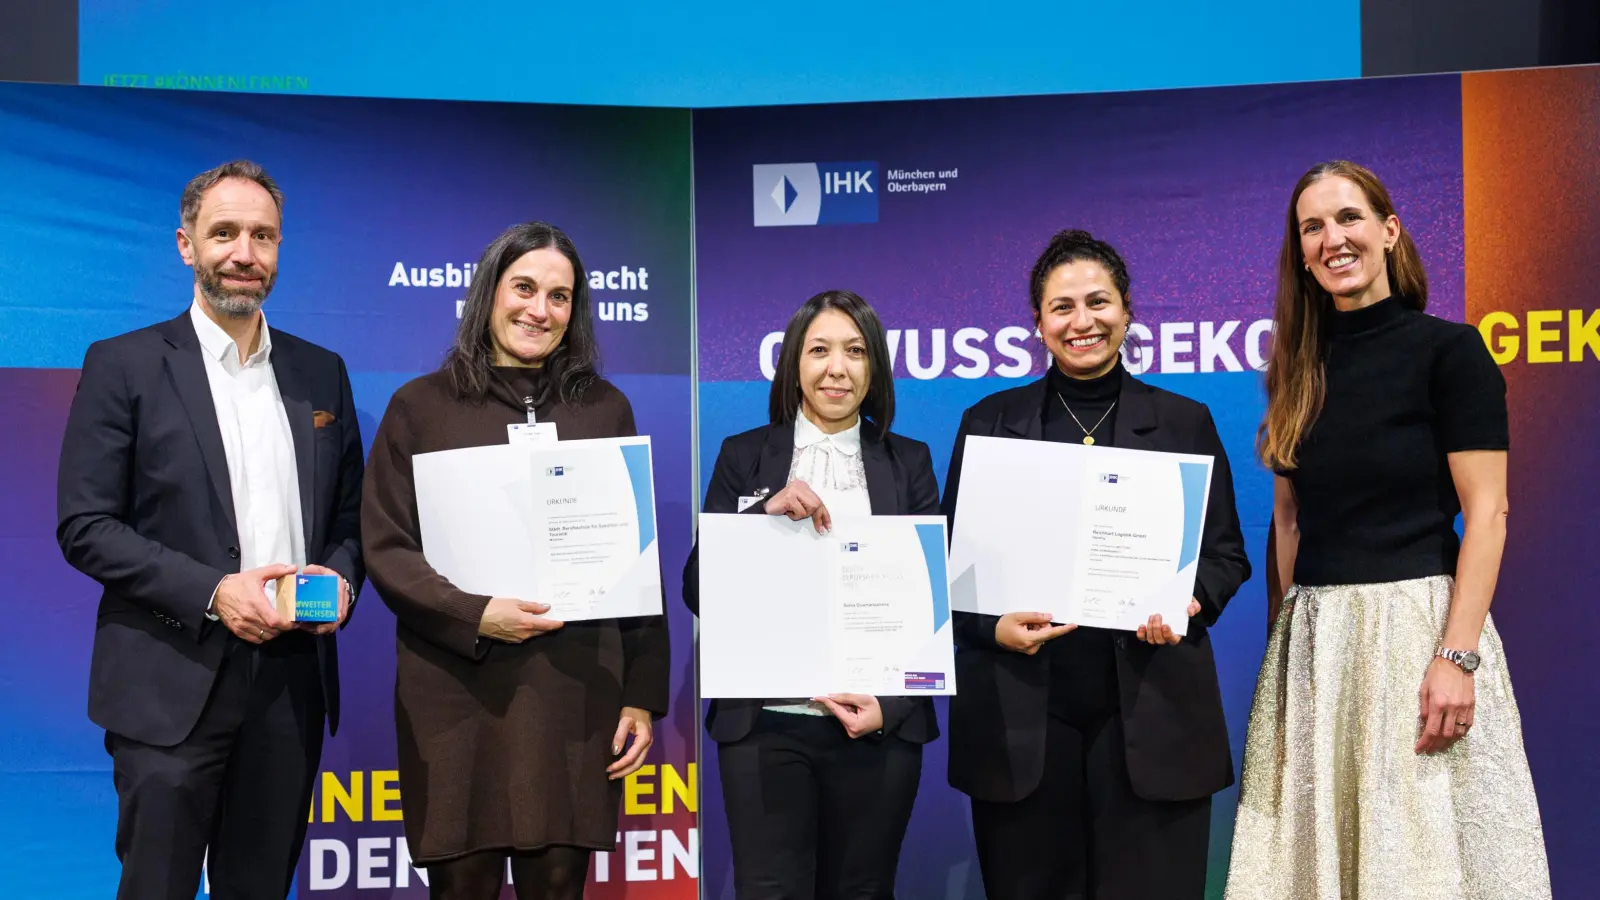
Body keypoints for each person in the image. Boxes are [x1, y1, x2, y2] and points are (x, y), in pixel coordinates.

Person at [1225, 161, 1550, 899]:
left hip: (1417, 637)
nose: (1333, 238)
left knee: (1418, 863)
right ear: (1300, 253)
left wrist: (1457, 657)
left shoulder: (1450, 351)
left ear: (1389, 231)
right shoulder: (1295, 368)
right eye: (1313, 227)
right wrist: (1284, 651)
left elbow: (1489, 512)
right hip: (1315, 648)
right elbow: (1289, 520)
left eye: (1349, 218)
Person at [55, 160, 364, 899]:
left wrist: (341, 575)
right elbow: (85, 523)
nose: (244, 252)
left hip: (290, 687)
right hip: (168, 679)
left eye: (263, 236)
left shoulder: (323, 373)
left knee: (257, 888)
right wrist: (215, 591)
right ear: (186, 245)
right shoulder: (123, 364)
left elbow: (352, 517)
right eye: (223, 232)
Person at [361, 221, 669, 900]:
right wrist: (476, 614)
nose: (539, 309)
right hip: (455, 691)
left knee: (559, 886)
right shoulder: (419, 407)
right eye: (524, 288)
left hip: (572, 690)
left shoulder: (606, 410)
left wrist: (642, 697)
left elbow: (634, 563)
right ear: (488, 294)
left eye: (559, 297)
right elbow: (385, 547)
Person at [943, 229, 1250, 900]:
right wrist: (992, 627)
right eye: (1062, 307)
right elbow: (946, 576)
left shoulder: (1183, 422)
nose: (1082, 322)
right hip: (1022, 728)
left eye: (1098, 302)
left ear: (1128, 310)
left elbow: (1226, 555)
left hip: (1153, 718)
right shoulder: (989, 424)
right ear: (1038, 324)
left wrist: (1189, 603)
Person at [682, 290, 940, 900]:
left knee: (864, 889)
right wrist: (760, 521)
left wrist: (892, 708)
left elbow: (931, 603)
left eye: (854, 351)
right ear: (794, 362)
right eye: (819, 350)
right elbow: (699, 589)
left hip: (874, 728)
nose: (837, 367)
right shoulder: (744, 456)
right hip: (766, 727)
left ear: (874, 365)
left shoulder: (910, 462)